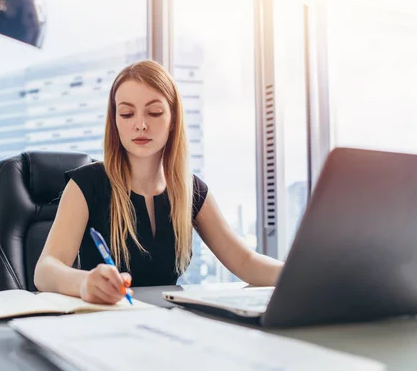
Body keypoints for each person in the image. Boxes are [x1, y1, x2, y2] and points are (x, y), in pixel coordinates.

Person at [34, 59, 284, 304]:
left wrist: (304, 276)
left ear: (173, 118)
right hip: (106, 324)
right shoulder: (87, 184)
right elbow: (45, 270)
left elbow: (245, 262)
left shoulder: (190, 190)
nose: (140, 125)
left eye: (154, 112)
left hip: (168, 324)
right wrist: (84, 283)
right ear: (115, 121)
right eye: (127, 113)